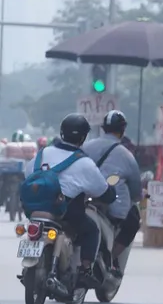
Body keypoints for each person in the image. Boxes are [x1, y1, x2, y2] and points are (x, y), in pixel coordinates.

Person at [29, 114, 116, 287]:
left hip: (34, 209)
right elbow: (103, 191)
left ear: (62, 133)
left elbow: (28, 174)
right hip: (65, 212)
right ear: (83, 137)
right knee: (91, 230)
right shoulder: (84, 162)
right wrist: (110, 194)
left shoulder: (42, 153)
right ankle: (85, 271)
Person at [82, 110, 142, 277]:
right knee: (133, 222)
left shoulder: (85, 147)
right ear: (122, 131)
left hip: (83, 200)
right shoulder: (127, 155)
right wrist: (138, 197)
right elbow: (136, 190)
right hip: (113, 209)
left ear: (103, 129)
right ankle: (110, 258)